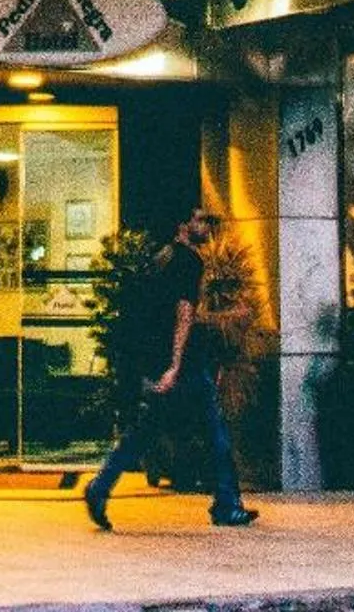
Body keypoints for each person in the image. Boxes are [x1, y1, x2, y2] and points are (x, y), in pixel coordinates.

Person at [84, 207, 257, 531]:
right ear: (183, 226)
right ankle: (227, 505)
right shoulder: (189, 261)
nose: (206, 227)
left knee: (146, 430)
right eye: (200, 220)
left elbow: (157, 314)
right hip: (184, 362)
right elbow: (184, 313)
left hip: (159, 359)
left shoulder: (161, 259)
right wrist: (175, 364)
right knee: (216, 432)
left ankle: (100, 486)